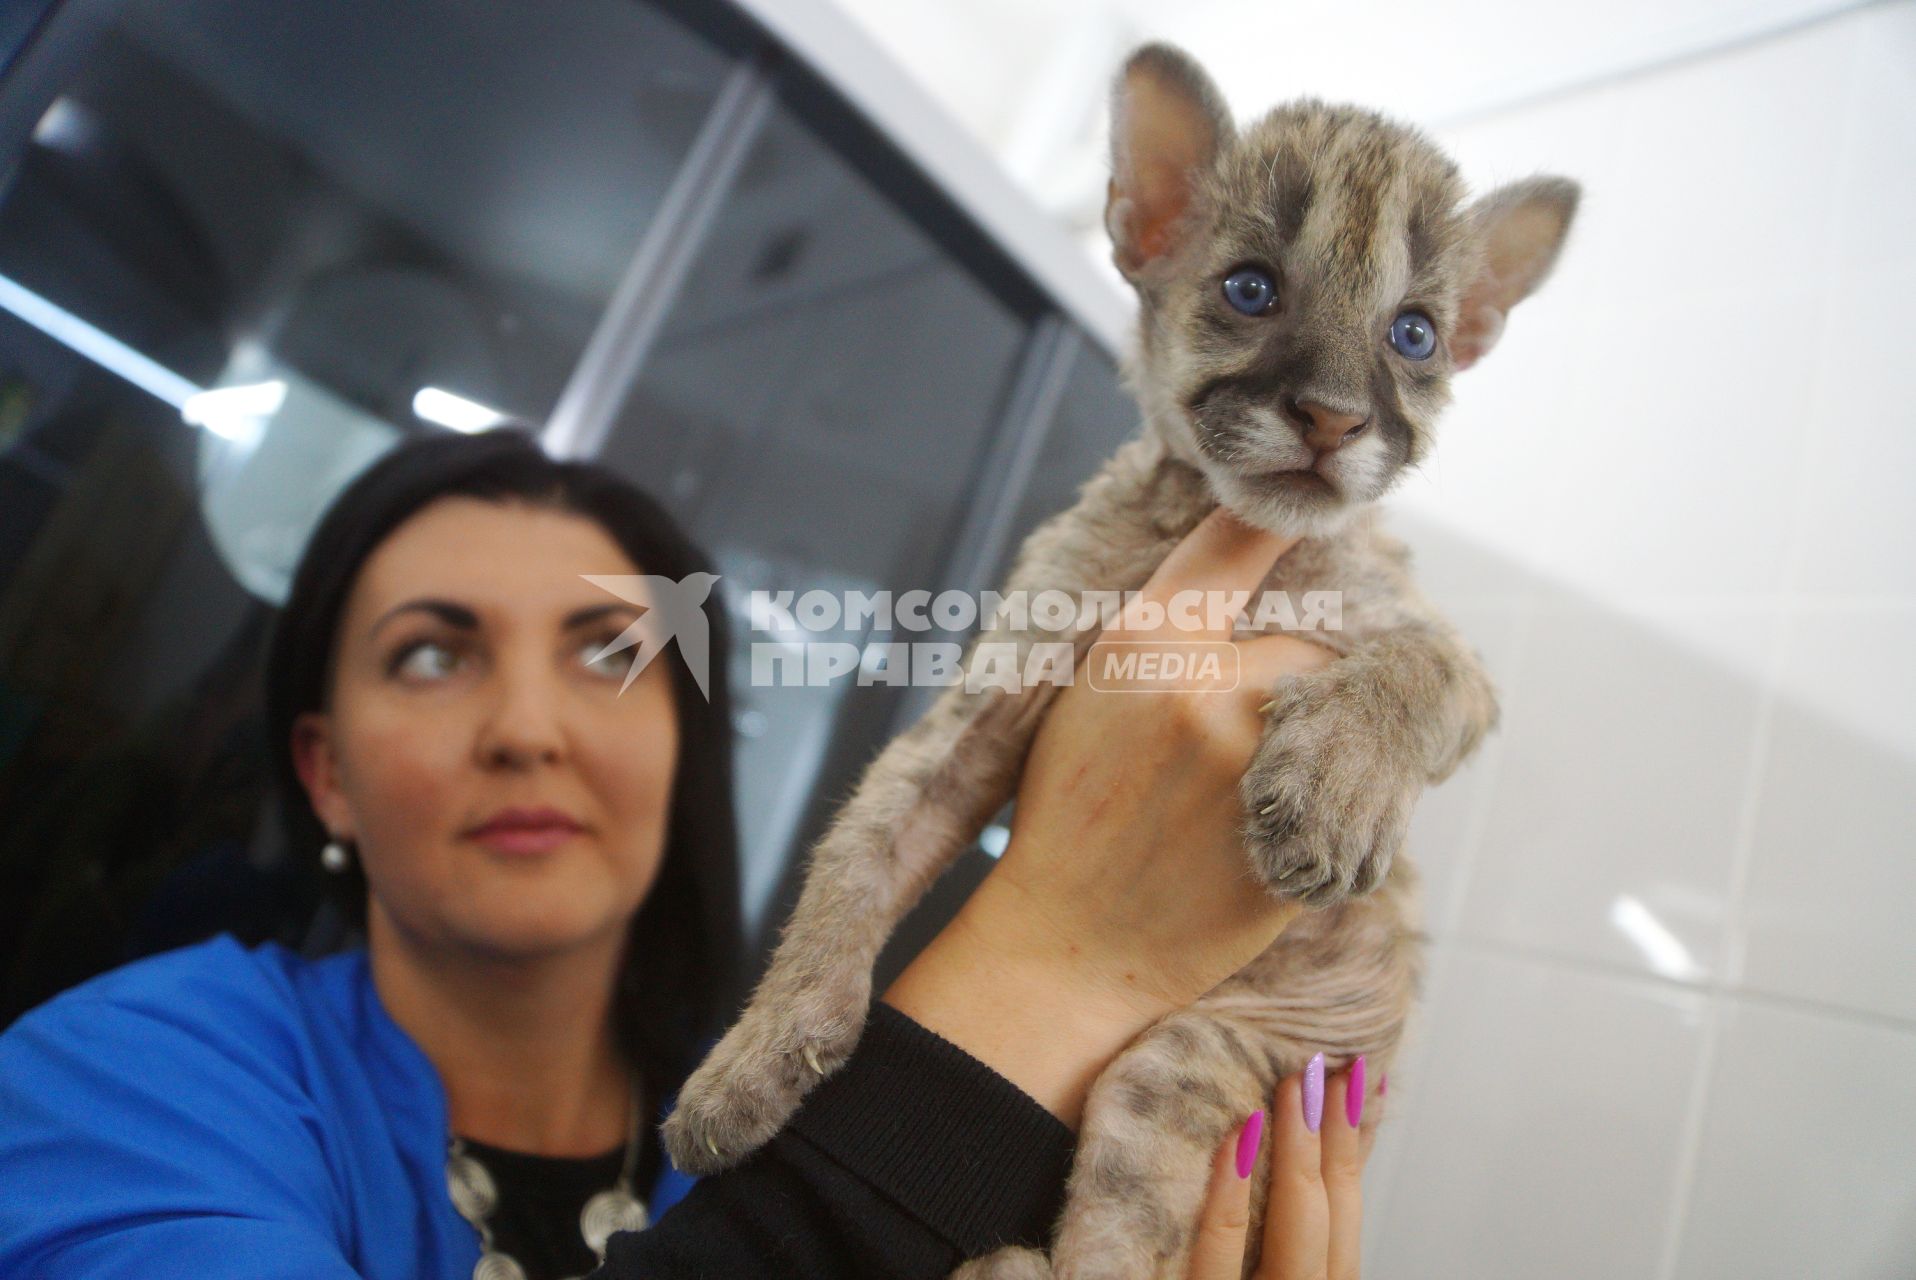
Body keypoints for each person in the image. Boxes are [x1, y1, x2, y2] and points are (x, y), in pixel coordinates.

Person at [0, 426, 1370, 1280]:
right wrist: (1060, 958)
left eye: (610, 651)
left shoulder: (758, 1113)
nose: (527, 728)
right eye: (431, 655)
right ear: (326, 774)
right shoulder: (123, 1085)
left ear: (683, 740)